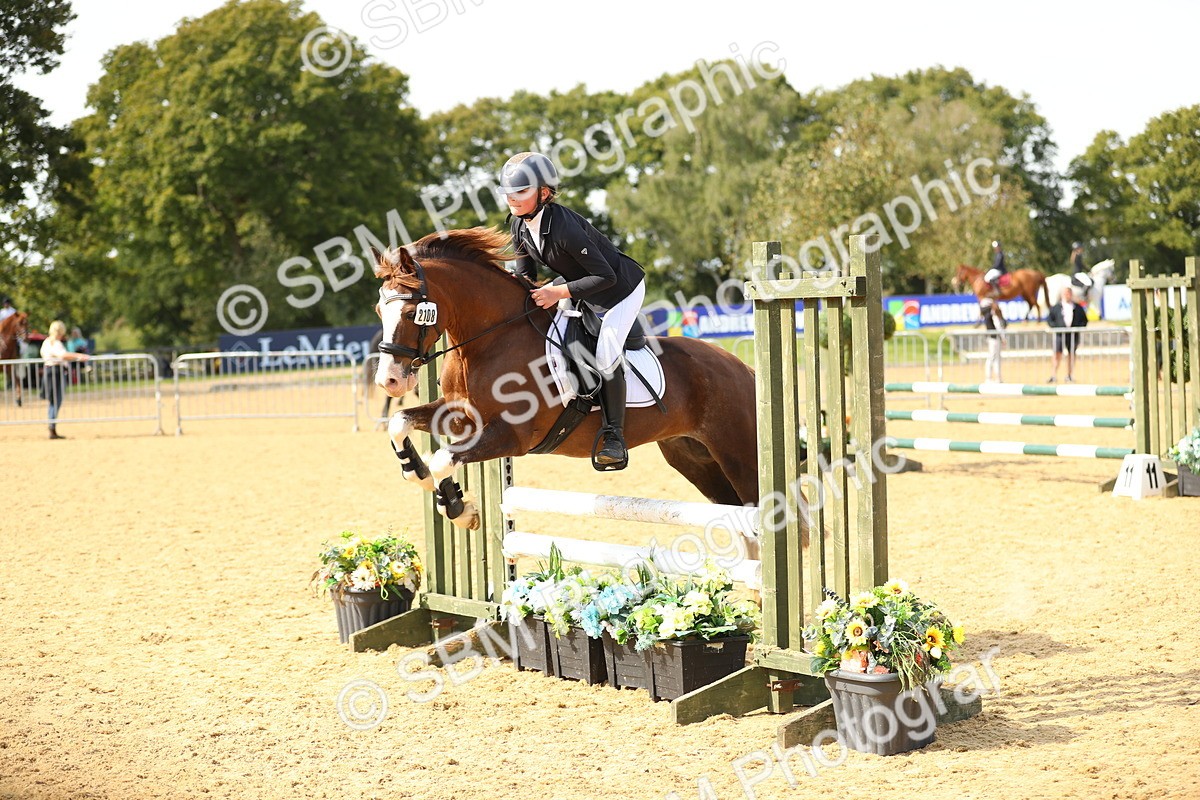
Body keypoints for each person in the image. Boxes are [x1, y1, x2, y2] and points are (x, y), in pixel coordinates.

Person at [498, 151, 646, 470]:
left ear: (544, 193)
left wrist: (557, 292)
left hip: (620, 290)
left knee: (606, 353)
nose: (512, 198)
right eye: (508, 192)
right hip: (580, 287)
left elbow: (605, 276)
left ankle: (614, 437)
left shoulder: (563, 226)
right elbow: (526, 277)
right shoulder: (519, 225)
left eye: (521, 191)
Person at [40, 320, 90, 439]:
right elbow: (63, 355)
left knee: (53, 401)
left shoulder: (46, 342)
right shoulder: (55, 343)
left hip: (49, 371)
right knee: (56, 401)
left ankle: (52, 426)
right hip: (56, 372)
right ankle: (52, 427)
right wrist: (79, 356)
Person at [1047, 287, 1087, 383]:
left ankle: (1069, 375)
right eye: (1065, 293)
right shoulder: (1056, 307)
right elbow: (1050, 320)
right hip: (1059, 334)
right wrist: (1056, 327)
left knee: (1071, 354)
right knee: (1057, 353)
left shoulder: (1078, 307)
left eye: (1068, 293)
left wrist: (1077, 328)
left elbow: (1084, 320)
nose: (1067, 295)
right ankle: (1053, 375)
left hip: (1073, 335)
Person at [980, 298, 1006, 382]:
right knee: (993, 358)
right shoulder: (992, 314)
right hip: (995, 338)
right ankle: (991, 378)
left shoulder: (986, 315)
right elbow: (998, 326)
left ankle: (995, 377)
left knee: (993, 358)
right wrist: (1003, 338)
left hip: (991, 338)